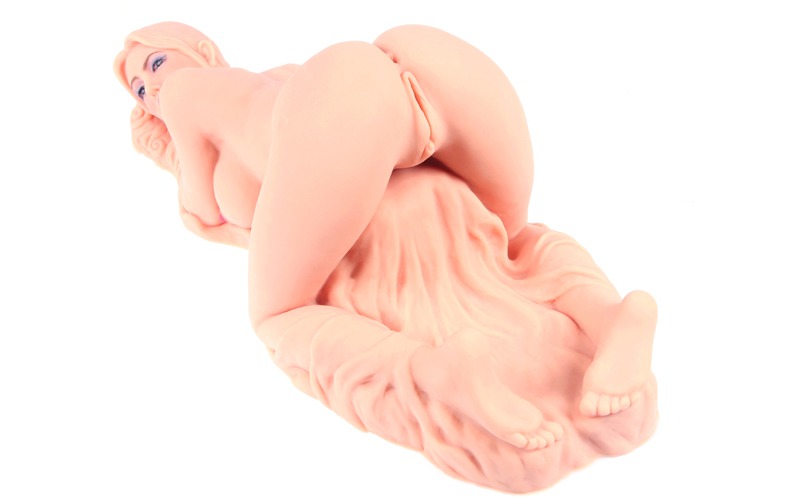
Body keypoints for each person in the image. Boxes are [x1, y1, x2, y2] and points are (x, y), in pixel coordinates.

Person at [114, 23, 658, 492]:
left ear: (201, 51)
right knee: (514, 244)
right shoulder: (281, 83)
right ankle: (608, 317)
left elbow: (203, 209)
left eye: (156, 63)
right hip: (429, 132)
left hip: (348, 107)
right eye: (139, 89)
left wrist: (168, 157)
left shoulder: (186, 94)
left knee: (277, 317)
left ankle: (428, 368)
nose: (152, 88)